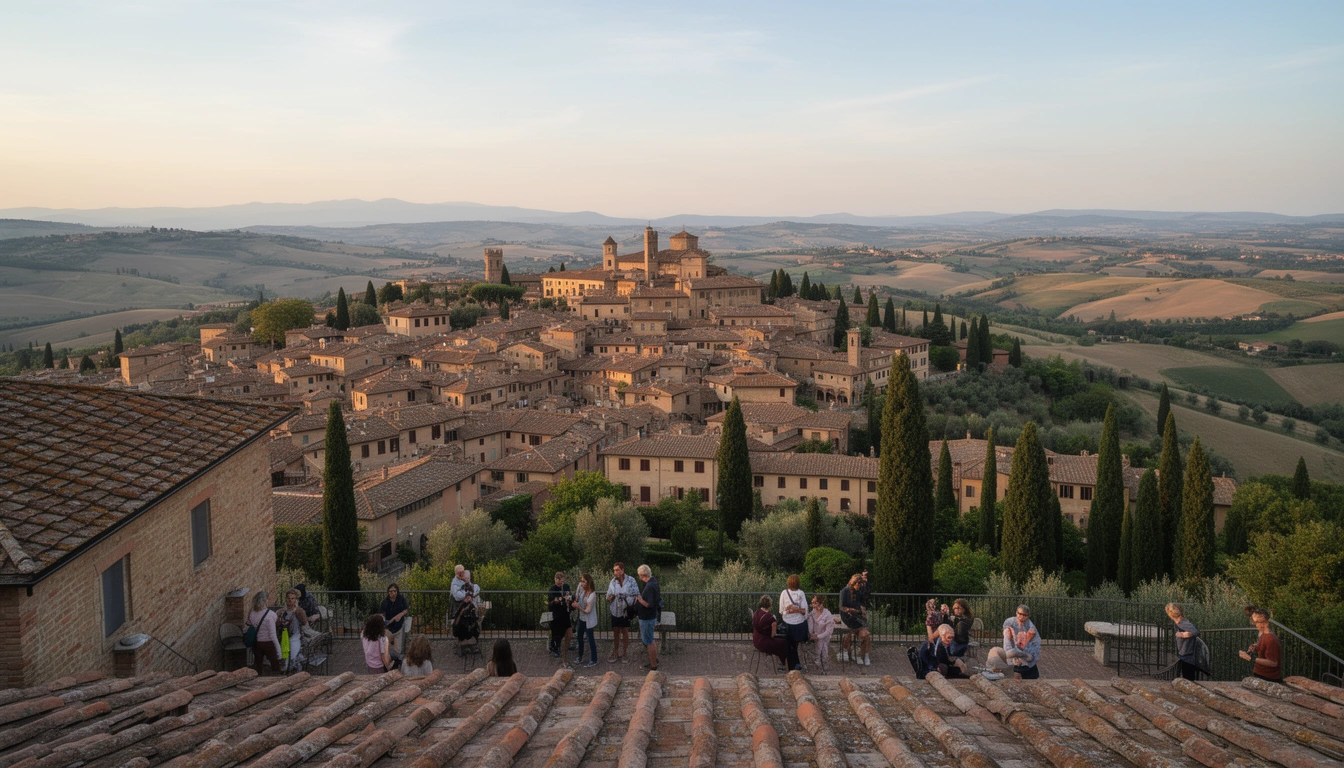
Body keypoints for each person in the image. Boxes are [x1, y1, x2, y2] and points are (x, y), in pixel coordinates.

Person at [985, 604, 1040, 680]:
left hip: (1024, 656)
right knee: (996, 653)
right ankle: (1002, 672)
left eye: (1025, 615)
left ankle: (1009, 673)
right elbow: (1008, 643)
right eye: (1020, 614)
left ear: (1028, 616)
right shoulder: (1009, 622)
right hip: (1012, 654)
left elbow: (1029, 650)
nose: (1022, 617)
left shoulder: (1030, 628)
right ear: (1016, 613)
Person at [606, 562, 639, 664]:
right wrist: (613, 596)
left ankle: (625, 653)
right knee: (616, 633)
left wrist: (627, 599)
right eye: (614, 570)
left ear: (622, 570)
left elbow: (636, 594)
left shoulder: (631, 580)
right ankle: (616, 653)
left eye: (617, 570)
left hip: (626, 612)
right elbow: (608, 597)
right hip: (615, 611)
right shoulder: (612, 582)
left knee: (625, 633)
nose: (615, 572)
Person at [1239, 606, 1282, 682]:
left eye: (1258, 622)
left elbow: (1273, 662)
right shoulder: (1263, 635)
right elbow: (1264, 649)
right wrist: (1256, 647)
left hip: (1268, 678)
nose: (1256, 625)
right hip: (1261, 674)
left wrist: (1251, 658)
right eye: (1255, 622)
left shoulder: (1271, 639)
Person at [838, 574, 871, 665]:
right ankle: (849, 651)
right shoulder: (844, 591)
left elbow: (865, 597)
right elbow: (841, 607)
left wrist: (866, 582)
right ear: (854, 583)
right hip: (847, 616)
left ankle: (864, 654)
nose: (859, 587)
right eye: (858, 585)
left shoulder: (858, 591)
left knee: (866, 635)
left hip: (857, 616)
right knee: (850, 632)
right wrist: (850, 610)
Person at [247, 590, 281, 676]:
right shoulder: (270, 615)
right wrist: (279, 651)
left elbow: (249, 624)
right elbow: (273, 635)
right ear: (265, 601)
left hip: (257, 643)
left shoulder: (252, 612)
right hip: (268, 643)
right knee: (275, 665)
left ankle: (258, 681)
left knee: (258, 665)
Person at [779, 575, 808, 671]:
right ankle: (795, 665)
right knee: (794, 645)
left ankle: (791, 665)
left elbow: (781, 610)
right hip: (799, 624)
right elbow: (805, 611)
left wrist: (789, 610)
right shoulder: (801, 593)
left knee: (790, 645)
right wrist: (797, 610)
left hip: (787, 623)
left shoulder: (784, 593)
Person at [276, 588, 309, 673]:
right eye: (288, 598)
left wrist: (296, 610)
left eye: (292, 599)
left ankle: (292, 670)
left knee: (293, 656)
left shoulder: (300, 611)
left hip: (295, 637)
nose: (290, 601)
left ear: (296, 600)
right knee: (284, 658)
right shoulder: (281, 611)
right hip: (283, 638)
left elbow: (305, 623)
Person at [1166, 603, 1201, 680]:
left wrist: (1183, 634)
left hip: (1188, 654)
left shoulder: (1184, 622)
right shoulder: (1178, 622)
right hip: (1183, 653)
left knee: (1188, 678)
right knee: (1185, 676)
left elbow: (1195, 631)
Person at [753, 596, 789, 671]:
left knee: (779, 643)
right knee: (784, 643)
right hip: (764, 643)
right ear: (770, 605)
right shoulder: (771, 618)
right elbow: (773, 634)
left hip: (756, 641)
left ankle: (781, 664)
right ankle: (782, 665)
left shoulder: (756, 613)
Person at [635, 564, 660, 672]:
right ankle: (653, 659)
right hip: (651, 616)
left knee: (649, 641)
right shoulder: (654, 582)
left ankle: (653, 665)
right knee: (651, 640)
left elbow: (649, 604)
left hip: (647, 617)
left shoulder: (649, 586)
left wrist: (639, 599)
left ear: (642, 575)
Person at [547, 571, 574, 668]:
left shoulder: (566, 586)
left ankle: (565, 647)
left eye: (561, 580)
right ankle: (555, 647)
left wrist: (568, 598)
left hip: (565, 613)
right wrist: (556, 601)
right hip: (557, 614)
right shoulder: (552, 589)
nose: (559, 582)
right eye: (558, 580)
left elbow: (570, 595)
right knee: (557, 632)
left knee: (568, 632)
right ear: (555, 579)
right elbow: (550, 602)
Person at [451, 570, 482, 648]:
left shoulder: (473, 588)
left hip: (471, 616)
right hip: (462, 617)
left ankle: (470, 639)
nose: (466, 580)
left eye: (467, 578)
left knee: (473, 620)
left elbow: (478, 604)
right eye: (464, 578)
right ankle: (465, 640)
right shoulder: (458, 590)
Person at [575, 573, 600, 668]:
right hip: (581, 619)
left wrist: (578, 607)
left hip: (588, 620)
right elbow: (578, 597)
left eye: (583, 581)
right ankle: (580, 656)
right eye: (581, 581)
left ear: (588, 582)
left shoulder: (592, 594)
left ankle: (594, 659)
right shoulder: (582, 590)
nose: (581, 583)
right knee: (579, 637)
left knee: (590, 639)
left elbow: (587, 610)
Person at [807, 595, 835, 673]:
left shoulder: (827, 614)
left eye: (816, 603)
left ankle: (821, 666)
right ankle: (821, 666)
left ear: (821, 603)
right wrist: (811, 634)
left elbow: (829, 630)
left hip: (824, 637)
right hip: (814, 637)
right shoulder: (812, 614)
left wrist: (818, 636)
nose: (814, 605)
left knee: (821, 644)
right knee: (818, 646)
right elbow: (810, 627)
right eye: (813, 603)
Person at [381, 583, 410, 654]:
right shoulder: (385, 602)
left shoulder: (401, 599)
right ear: (388, 592)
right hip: (389, 628)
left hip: (399, 627)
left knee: (398, 651)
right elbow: (383, 614)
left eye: (395, 591)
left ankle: (397, 662)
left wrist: (400, 614)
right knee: (383, 647)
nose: (393, 593)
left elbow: (406, 609)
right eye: (391, 591)